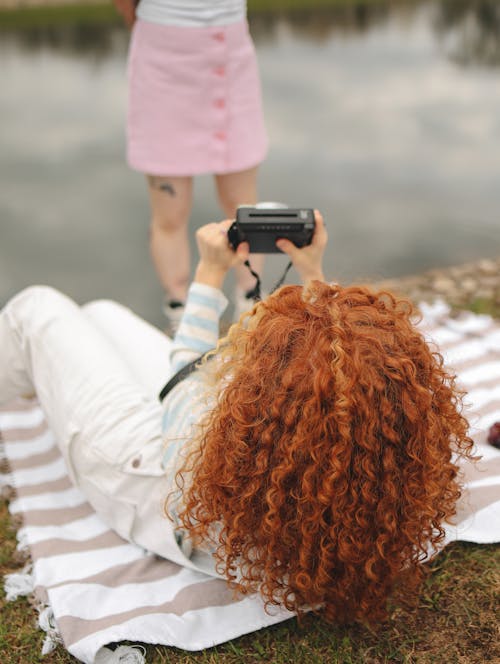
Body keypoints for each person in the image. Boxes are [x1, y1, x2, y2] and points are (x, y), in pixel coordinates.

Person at [0, 211, 474, 624]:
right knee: (100, 312)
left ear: (264, 394)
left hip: (144, 472)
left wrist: (208, 274)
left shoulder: (222, 446)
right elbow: (333, 368)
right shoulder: (383, 464)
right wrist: (310, 270)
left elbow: (185, 375)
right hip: (193, 448)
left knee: (36, 307)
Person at [114, 0, 268, 330]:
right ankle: (181, 314)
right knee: (170, 213)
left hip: (230, 48)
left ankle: (250, 304)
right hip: (161, 51)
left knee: (241, 205)